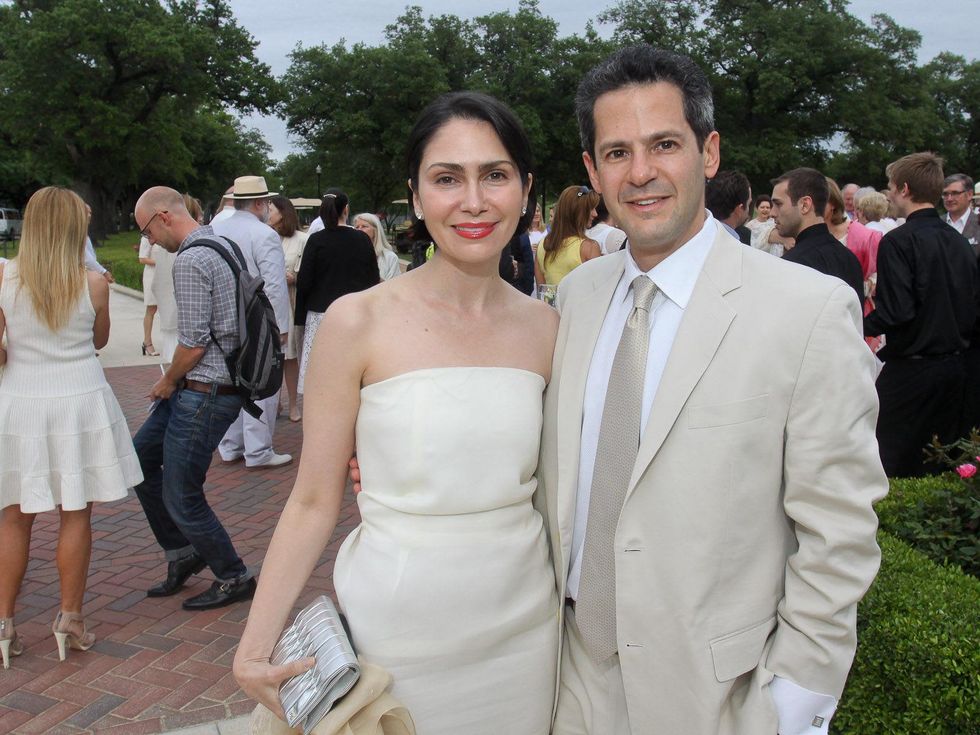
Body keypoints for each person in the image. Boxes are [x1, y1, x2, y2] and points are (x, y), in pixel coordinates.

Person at [539, 45, 886, 734]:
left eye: (664, 143)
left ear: (710, 152)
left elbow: (839, 528)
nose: (641, 173)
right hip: (567, 682)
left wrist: (791, 705)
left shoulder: (807, 309)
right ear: (592, 170)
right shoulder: (576, 297)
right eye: (616, 152)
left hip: (718, 698)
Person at [234, 91, 560, 735]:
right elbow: (312, 499)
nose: (472, 201)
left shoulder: (548, 327)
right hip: (396, 635)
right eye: (447, 179)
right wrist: (252, 645)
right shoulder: (360, 320)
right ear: (415, 196)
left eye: (494, 175)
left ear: (525, 190)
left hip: (526, 635)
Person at [0, 187, 142, 667]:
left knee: (15, 515)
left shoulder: (3, 276)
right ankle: (70, 620)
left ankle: (4, 625)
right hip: (78, 398)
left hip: (20, 400)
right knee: (75, 512)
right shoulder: (94, 283)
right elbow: (98, 339)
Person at [131, 187, 257, 611]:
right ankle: (184, 552)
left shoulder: (189, 257)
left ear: (163, 216)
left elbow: (194, 343)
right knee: (141, 460)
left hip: (205, 389)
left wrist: (166, 380)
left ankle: (232, 573)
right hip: (209, 386)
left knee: (181, 493)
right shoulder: (221, 242)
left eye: (146, 230)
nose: (148, 241)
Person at [865, 152, 978, 477]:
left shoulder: (898, 242)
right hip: (957, 370)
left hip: (912, 370)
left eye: (890, 188)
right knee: (940, 465)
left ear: (903, 188)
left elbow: (898, 310)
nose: (888, 195)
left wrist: (855, 322)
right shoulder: (959, 242)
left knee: (886, 461)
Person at [213, 176, 292, 470]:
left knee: (230, 380)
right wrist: (279, 328)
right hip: (255, 318)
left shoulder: (217, 226)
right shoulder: (263, 234)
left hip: (222, 316)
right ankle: (258, 450)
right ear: (259, 202)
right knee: (261, 380)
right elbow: (273, 285)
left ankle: (230, 444)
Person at [294, 189, 380, 393]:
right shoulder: (361, 239)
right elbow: (373, 278)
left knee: (321, 373)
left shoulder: (316, 241)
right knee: (353, 369)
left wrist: (299, 318)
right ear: (346, 210)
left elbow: (304, 282)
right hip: (355, 314)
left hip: (321, 315)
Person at [771, 167, 865, 306]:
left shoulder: (792, 265)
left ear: (805, 205)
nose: (772, 212)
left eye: (778, 204)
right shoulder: (850, 259)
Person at [269, 195, 308, 423]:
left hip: (290, 302)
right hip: (267, 303)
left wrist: (295, 277)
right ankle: (273, 402)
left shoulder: (301, 239)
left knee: (289, 356)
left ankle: (294, 403)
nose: (267, 213)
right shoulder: (263, 236)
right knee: (270, 357)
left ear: (283, 212)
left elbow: (310, 271)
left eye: (271, 209)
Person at [535, 185, 601, 286]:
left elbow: (541, 291)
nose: (595, 214)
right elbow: (598, 290)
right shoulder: (589, 247)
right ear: (578, 211)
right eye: (591, 209)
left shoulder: (542, 245)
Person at [705, 170, 752, 244]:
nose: (748, 211)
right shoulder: (735, 244)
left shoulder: (694, 235)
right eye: (749, 204)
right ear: (739, 209)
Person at [354, 212, 401, 281]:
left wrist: (375, 277)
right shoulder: (351, 254)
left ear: (376, 230)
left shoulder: (390, 257)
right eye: (357, 227)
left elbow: (395, 287)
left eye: (364, 226)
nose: (359, 230)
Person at [942, 173, 980, 253]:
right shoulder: (936, 223)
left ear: (969, 195)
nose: (949, 199)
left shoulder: (978, 223)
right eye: (945, 194)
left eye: (955, 193)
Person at [138, 235, 160, 356]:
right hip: (152, 276)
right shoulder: (146, 238)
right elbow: (142, 258)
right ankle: (147, 342)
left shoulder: (164, 235)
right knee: (151, 308)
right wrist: (160, 262)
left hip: (165, 276)